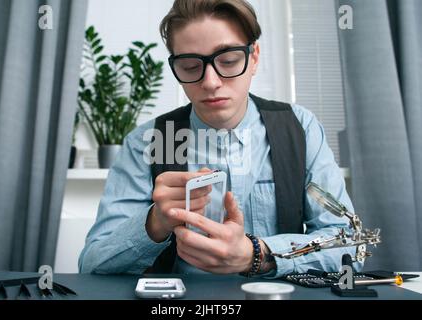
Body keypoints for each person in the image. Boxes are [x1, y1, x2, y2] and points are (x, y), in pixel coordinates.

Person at [79, 0, 360, 277]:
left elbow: (349, 246)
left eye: (228, 61)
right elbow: (92, 265)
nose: (211, 82)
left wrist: (259, 254)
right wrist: (155, 222)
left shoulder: (300, 129)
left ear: (254, 58)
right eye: (190, 66)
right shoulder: (151, 141)